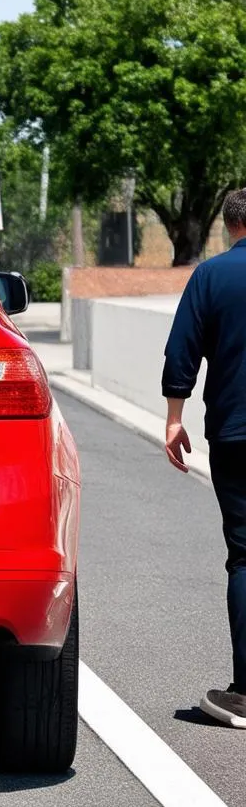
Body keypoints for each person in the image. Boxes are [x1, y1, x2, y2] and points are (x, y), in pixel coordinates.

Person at [163, 188, 246, 728]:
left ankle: (244, 694)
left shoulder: (212, 277)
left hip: (237, 434)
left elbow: (182, 348)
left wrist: (175, 416)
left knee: (245, 556)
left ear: (229, 224)